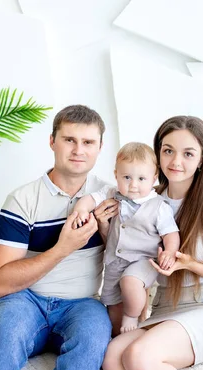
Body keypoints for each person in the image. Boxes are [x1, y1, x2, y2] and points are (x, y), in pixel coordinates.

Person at [0, 105, 119, 370]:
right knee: (6, 333)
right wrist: (63, 248)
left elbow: (132, 260)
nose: (78, 150)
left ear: (100, 147)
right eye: (69, 140)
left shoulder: (113, 196)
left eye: (88, 142)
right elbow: (1, 284)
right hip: (26, 300)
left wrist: (107, 232)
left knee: (93, 337)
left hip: (83, 304)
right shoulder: (22, 200)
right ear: (52, 141)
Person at [102, 116, 203, 370]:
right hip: (165, 309)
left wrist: (191, 264)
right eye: (168, 150)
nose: (175, 161)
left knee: (139, 357)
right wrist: (103, 225)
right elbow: (131, 258)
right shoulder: (147, 199)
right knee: (112, 357)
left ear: (202, 160)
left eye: (188, 153)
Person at [72, 142, 180, 335]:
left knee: (131, 283)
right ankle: (119, 335)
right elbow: (90, 199)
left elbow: (170, 233)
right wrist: (80, 209)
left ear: (153, 178)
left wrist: (170, 252)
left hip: (143, 261)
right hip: (114, 262)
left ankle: (133, 316)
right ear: (116, 175)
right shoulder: (111, 193)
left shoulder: (159, 207)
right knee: (112, 304)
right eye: (127, 177)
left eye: (141, 178)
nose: (133, 184)